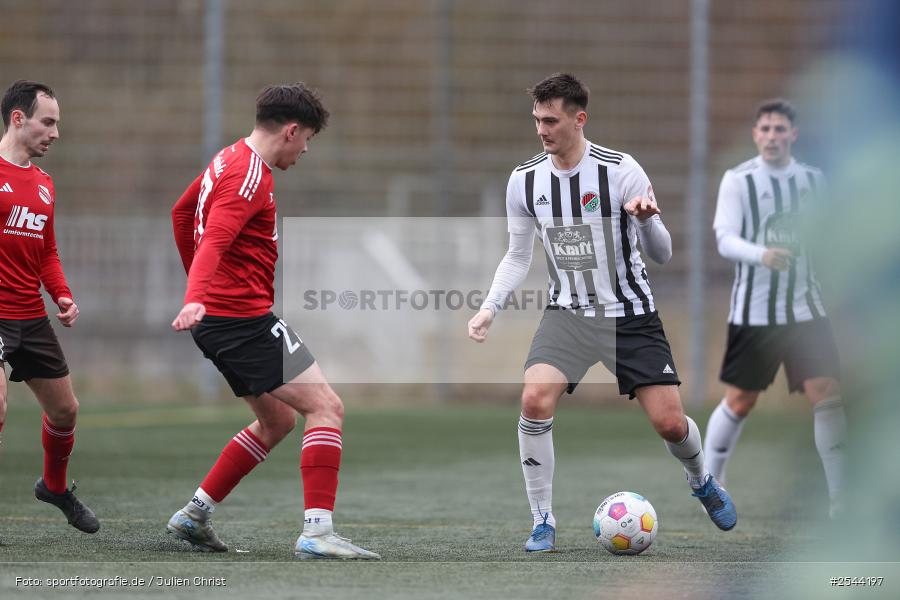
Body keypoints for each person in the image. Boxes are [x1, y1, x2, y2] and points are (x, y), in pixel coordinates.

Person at [467, 73, 736, 552]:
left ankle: (701, 481)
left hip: (630, 315)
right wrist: (490, 307)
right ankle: (542, 520)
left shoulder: (620, 170)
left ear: (579, 118)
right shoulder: (524, 181)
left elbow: (663, 253)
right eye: (537, 120)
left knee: (671, 425)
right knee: (534, 400)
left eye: (551, 120)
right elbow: (517, 255)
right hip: (568, 315)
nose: (542, 130)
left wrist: (647, 220)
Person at [167, 83, 379, 560]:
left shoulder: (226, 158)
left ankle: (194, 515)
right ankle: (317, 533)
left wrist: (202, 294)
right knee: (327, 407)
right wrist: (198, 294)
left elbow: (182, 215)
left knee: (277, 419)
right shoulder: (250, 177)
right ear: (291, 130)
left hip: (221, 319)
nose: (305, 150)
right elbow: (216, 239)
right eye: (307, 140)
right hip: (241, 321)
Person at [703, 99, 846, 518]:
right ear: (755, 134)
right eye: (764, 128)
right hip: (755, 312)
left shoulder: (813, 180)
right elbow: (724, 238)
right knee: (740, 400)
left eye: (779, 129)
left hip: (807, 309)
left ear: (793, 135)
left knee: (828, 394)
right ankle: (712, 483)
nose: (771, 136)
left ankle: (840, 500)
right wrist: (761, 254)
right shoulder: (738, 180)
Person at [0, 80, 99, 534]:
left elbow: (47, 252)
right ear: (18, 119)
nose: (55, 133)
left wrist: (62, 294)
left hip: (30, 316)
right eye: (48, 122)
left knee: (65, 411)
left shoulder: (43, 185)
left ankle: (54, 487)